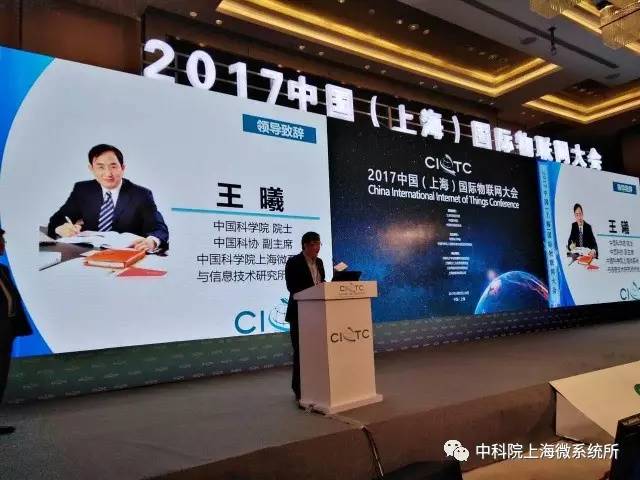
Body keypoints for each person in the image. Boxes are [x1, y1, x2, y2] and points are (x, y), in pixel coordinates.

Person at [47, 144, 169, 252]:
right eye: (100, 167)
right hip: (85, 253)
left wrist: (152, 241)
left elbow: (159, 228)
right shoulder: (83, 190)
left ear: (123, 168)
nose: (108, 173)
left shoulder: (141, 194)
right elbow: (57, 219)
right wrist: (60, 228)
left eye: (113, 166)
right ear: (91, 169)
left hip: (125, 254)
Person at [285, 232, 325, 402]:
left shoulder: (320, 262)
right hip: (299, 314)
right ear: (306, 245)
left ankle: (315, 386)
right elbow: (292, 287)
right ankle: (299, 390)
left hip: (317, 314)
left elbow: (321, 284)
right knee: (300, 352)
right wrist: (312, 291)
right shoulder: (293, 262)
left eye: (319, 244)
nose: (317, 247)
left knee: (316, 352)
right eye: (315, 244)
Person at [0, 227, 33, 435]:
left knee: (0, 379)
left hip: (6, 333)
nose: (4, 244)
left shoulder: (2, 269)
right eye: (1, 240)